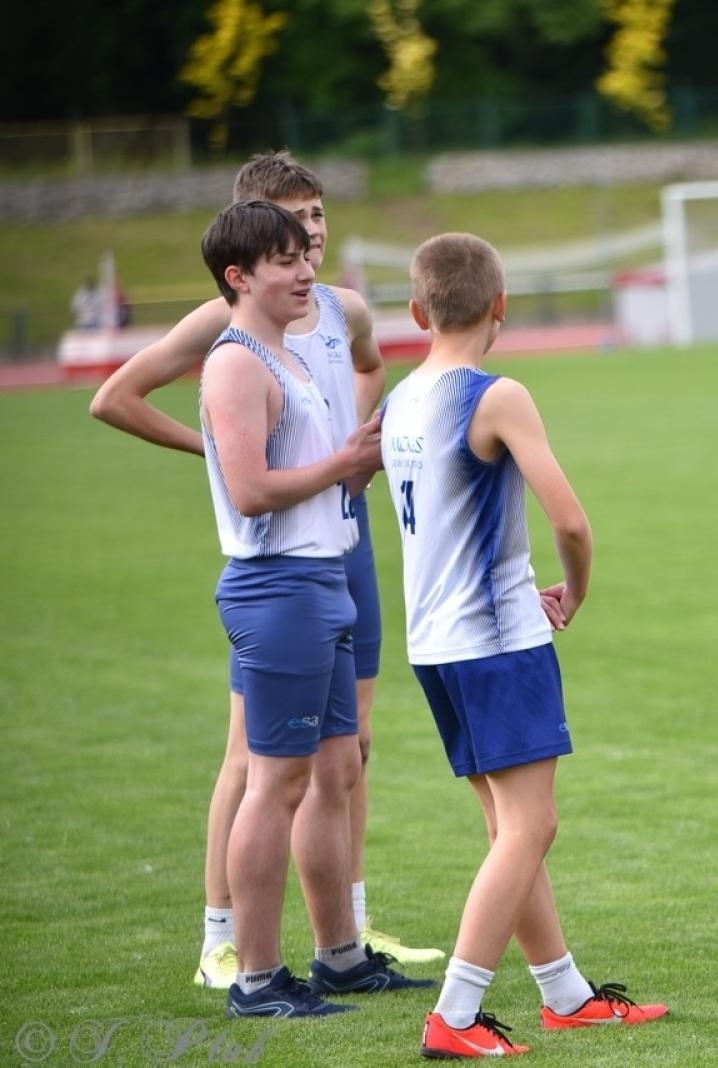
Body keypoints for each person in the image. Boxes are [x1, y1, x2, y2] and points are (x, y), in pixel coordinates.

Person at [89, 151, 442, 990]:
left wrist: (353, 454)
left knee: (345, 754)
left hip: (336, 550)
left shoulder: (331, 314)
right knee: (258, 764)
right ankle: (232, 948)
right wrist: (217, 452)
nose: (312, 237)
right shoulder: (234, 339)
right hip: (279, 569)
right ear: (250, 255)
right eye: (292, 227)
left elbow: (364, 371)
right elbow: (120, 401)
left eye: (316, 219)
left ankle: (344, 939)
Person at [380, 233, 668, 1058]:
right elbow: (570, 519)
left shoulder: (402, 399)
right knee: (529, 828)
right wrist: (572, 590)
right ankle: (455, 1016)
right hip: (497, 639)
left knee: (511, 826)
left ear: (416, 311)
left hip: (433, 643)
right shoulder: (495, 394)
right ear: (501, 307)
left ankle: (564, 995)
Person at [196, 199, 432, 1017]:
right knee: (277, 783)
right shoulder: (234, 364)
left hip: (322, 580)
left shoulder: (286, 357)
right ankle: (257, 979)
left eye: (306, 256)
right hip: (279, 590)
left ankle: (340, 958)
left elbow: (319, 478)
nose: (307, 272)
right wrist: (341, 464)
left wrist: (363, 462)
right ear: (240, 277)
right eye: (287, 261)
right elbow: (253, 492)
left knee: (332, 772)